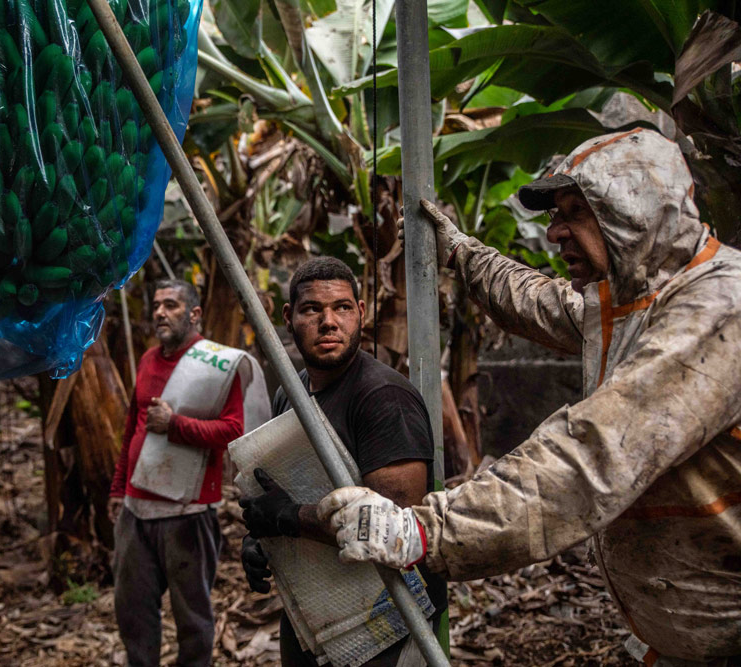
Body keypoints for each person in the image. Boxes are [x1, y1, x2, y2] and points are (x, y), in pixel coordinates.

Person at [316, 129, 741, 665]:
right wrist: (463, 252)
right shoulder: (630, 301)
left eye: (575, 212)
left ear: (635, 211)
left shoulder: (720, 307)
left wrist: (426, 530)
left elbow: (590, 453)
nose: (555, 232)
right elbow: (541, 302)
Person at [239, 257, 446, 666]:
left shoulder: (384, 398)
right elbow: (282, 492)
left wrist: (289, 519)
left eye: (342, 308)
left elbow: (396, 525)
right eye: (312, 309)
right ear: (288, 318)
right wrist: (263, 540)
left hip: (387, 616)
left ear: (362, 313)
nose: (329, 321)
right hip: (318, 608)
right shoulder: (292, 393)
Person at [108, 278, 269, 667]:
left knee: (192, 620)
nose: (160, 312)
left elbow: (235, 430)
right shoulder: (148, 359)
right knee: (133, 613)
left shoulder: (217, 364)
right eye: (158, 305)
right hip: (136, 509)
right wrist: (118, 488)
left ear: (194, 314)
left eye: (172, 305)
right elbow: (135, 426)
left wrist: (176, 425)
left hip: (186, 513)